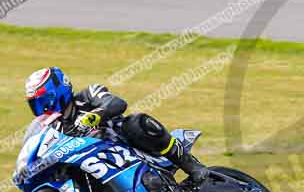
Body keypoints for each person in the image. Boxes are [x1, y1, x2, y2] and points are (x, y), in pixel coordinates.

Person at [23, 67, 209, 183]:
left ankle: (190, 164)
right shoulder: (50, 127)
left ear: (60, 91)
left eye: (46, 100)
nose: (44, 108)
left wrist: (92, 117)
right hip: (97, 165)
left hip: (124, 146)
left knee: (136, 122)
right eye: (37, 104)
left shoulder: (88, 95)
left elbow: (117, 103)